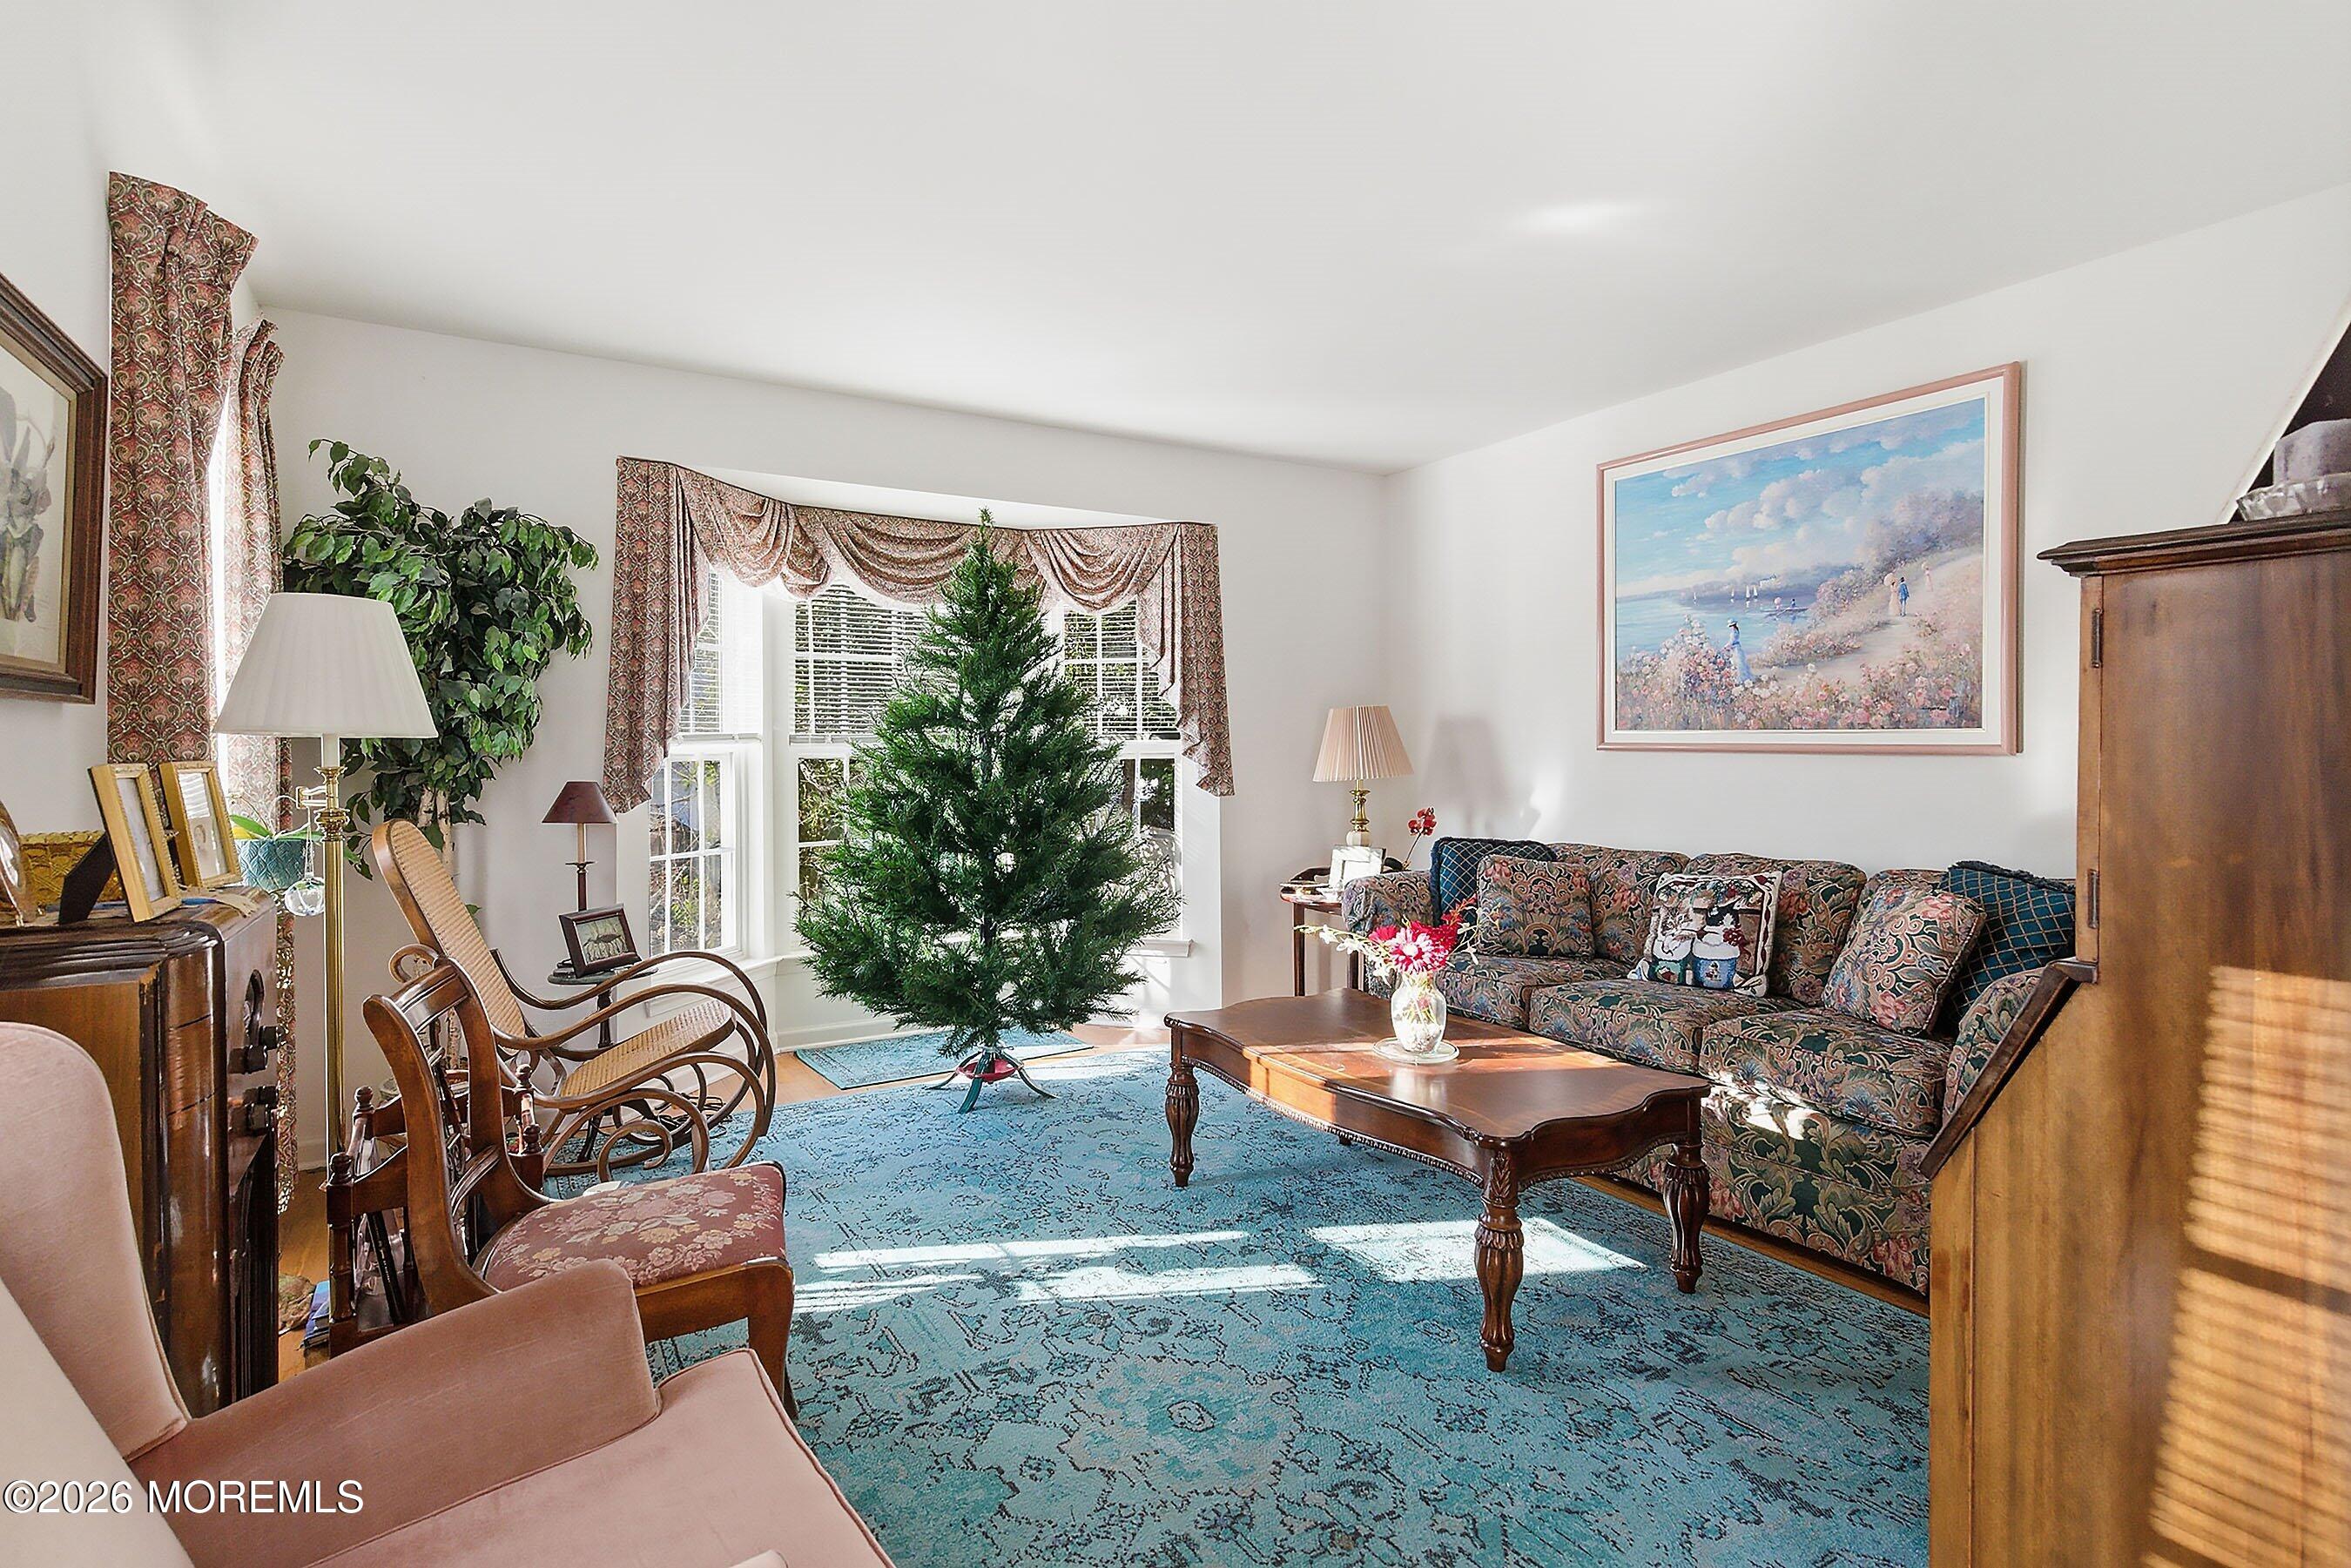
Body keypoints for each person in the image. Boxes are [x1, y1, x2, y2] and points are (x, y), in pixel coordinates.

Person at [1725, 619, 1753, 684]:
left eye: (1730, 626)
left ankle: (1740, 680)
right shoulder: (1736, 631)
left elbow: (1732, 641)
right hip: (1735, 648)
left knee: (1737, 663)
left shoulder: (1734, 632)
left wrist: (1726, 647)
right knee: (1737, 662)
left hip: (1736, 649)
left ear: (1732, 626)